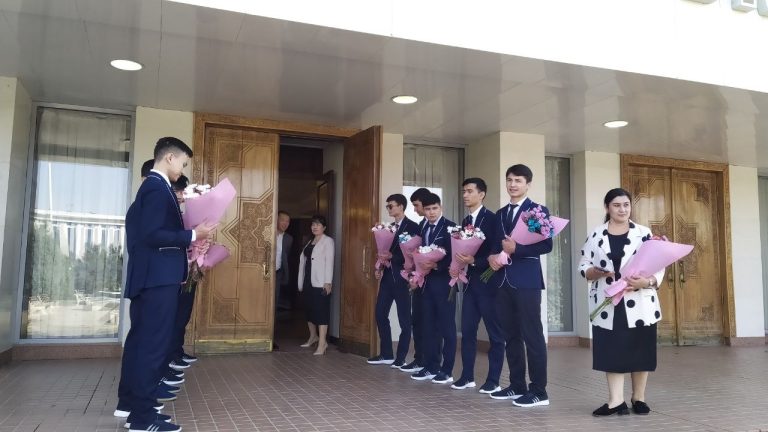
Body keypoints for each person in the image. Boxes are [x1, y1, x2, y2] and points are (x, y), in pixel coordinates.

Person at [116, 137, 215, 432]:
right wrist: (193, 235)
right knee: (152, 348)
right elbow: (153, 234)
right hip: (158, 280)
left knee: (143, 345)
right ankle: (143, 419)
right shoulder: (156, 188)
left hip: (153, 279)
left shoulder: (156, 189)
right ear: (170, 158)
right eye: (182, 163)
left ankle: (136, 409)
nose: (182, 169)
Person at [579, 188, 664, 417]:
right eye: (616, 205)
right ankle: (616, 401)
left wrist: (647, 282)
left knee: (640, 349)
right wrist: (593, 272)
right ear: (607, 208)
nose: (622, 209)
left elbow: (659, 264)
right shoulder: (596, 234)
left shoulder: (644, 233)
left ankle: (639, 398)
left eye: (626, 205)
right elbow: (583, 263)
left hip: (639, 301)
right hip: (608, 301)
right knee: (612, 350)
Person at [487, 164, 553, 407]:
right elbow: (495, 244)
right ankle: (517, 385)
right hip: (502, 280)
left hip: (527, 281)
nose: (512, 184)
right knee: (511, 335)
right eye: (509, 180)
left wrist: (518, 249)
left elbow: (546, 245)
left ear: (528, 184)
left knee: (532, 335)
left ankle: (539, 391)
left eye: (518, 180)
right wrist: (491, 257)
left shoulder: (537, 211)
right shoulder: (500, 213)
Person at [451, 178, 504, 394]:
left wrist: (474, 261)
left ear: (481, 194)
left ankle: (494, 380)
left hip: (489, 284)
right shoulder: (466, 221)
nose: (465, 195)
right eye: (464, 191)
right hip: (470, 284)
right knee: (468, 331)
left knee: (495, 334)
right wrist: (457, 267)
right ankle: (467, 376)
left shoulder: (492, 219)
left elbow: (496, 252)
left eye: (470, 191)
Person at [409, 193, 457, 384]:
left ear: (440, 207)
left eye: (434, 208)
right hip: (426, 284)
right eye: (427, 209)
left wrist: (437, 265)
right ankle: (431, 366)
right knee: (428, 326)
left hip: (444, 283)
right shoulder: (423, 226)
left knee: (447, 327)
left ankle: (447, 370)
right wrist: (416, 275)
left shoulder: (451, 227)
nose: (431, 212)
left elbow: (455, 255)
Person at [368, 194, 420, 367]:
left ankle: (401, 357)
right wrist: (380, 267)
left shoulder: (412, 226)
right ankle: (386, 353)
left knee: (404, 319)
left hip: (403, 278)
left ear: (401, 206)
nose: (389, 209)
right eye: (387, 206)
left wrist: (393, 257)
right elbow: (384, 252)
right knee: (380, 314)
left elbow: (413, 254)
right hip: (387, 278)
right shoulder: (388, 228)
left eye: (391, 206)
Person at [399, 187, 431, 373]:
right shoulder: (421, 225)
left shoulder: (442, 225)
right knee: (417, 321)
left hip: (433, 281)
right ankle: (419, 359)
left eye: (417, 205)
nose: (415, 209)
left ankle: (431, 362)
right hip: (418, 281)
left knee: (430, 324)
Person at [298, 215, 334, 355]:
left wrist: (328, 282)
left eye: (318, 224)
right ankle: (313, 336)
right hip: (308, 280)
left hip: (320, 282)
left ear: (324, 227)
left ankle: (322, 343)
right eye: (313, 224)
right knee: (309, 310)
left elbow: (329, 262)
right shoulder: (310, 241)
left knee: (321, 311)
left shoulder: (328, 241)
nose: (315, 227)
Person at [274, 210, 293, 351]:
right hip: (262, 272)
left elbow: (285, 257)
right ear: (276, 219)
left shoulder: (289, 239)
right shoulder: (268, 233)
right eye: (282, 220)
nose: (285, 223)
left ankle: (271, 337)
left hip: (278, 273)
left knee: (274, 305)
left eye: (288, 221)